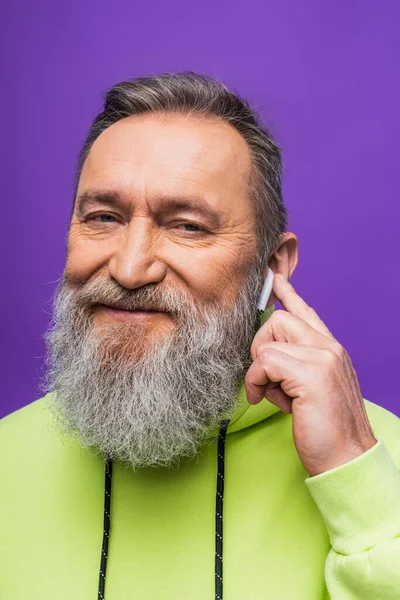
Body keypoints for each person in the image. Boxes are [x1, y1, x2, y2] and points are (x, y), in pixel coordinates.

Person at [1, 72, 399, 600]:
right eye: (103, 217)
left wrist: (357, 483)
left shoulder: (374, 462)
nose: (129, 267)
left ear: (271, 267)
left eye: (187, 225)